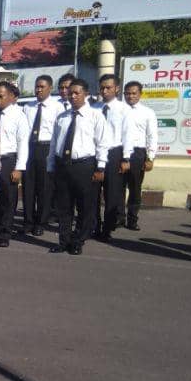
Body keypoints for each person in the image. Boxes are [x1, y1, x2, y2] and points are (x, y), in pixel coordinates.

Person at [47, 78, 110, 255]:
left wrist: (100, 168)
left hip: (84, 165)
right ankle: (63, 240)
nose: (72, 96)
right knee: (63, 206)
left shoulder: (95, 116)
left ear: (86, 94)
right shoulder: (62, 117)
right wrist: (51, 165)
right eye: (70, 92)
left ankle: (78, 240)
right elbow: (54, 143)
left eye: (76, 93)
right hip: (62, 166)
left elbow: (102, 143)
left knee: (85, 206)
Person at [0, 81, 29, 247]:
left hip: (8, 160)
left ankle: (4, 233)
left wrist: (19, 168)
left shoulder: (19, 116)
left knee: (8, 199)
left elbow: (23, 143)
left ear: (11, 97)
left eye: (1, 96)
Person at [23, 75, 65, 235]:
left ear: (50, 88)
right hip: (30, 147)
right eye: (36, 86)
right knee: (28, 187)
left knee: (44, 188)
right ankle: (28, 222)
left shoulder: (57, 107)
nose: (38, 90)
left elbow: (59, 134)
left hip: (46, 148)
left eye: (42, 87)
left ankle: (40, 222)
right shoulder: (28, 107)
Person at [92, 74, 129, 240]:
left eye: (108, 87)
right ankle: (93, 226)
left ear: (117, 88)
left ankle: (108, 228)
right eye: (102, 88)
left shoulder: (124, 109)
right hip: (95, 153)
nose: (105, 91)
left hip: (114, 153)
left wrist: (126, 158)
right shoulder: (94, 108)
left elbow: (128, 135)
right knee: (92, 192)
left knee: (112, 193)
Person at [119, 81, 158, 231]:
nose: (130, 96)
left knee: (135, 188)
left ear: (140, 94)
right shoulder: (119, 110)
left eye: (134, 93)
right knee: (118, 187)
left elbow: (152, 136)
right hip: (119, 152)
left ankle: (132, 219)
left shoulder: (148, 113)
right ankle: (119, 217)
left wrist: (150, 157)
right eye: (127, 93)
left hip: (138, 153)